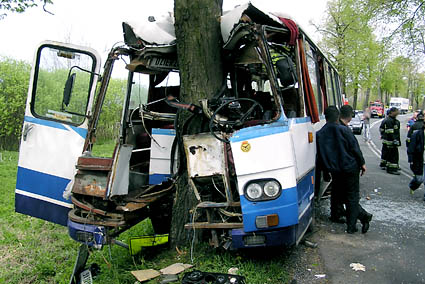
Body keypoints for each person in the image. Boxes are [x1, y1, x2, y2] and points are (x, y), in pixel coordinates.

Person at [317, 105, 373, 234]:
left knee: (338, 194)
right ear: (337, 117)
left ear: (325, 118)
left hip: (335, 170)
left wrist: (325, 172)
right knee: (351, 197)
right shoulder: (344, 130)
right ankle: (352, 225)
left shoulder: (320, 134)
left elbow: (320, 156)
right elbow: (355, 148)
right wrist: (362, 163)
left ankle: (338, 215)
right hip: (350, 168)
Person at [406, 111, 425, 200]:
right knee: (419, 179)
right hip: (419, 160)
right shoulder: (417, 134)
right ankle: (412, 185)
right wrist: (411, 159)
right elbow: (411, 147)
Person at [379, 107, 401, 174]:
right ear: (392, 112)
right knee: (393, 155)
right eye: (396, 111)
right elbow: (390, 131)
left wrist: (383, 135)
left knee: (387, 153)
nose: (398, 113)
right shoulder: (390, 121)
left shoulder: (392, 120)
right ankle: (392, 169)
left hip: (388, 141)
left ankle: (386, 165)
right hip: (391, 142)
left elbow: (382, 129)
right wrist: (394, 140)